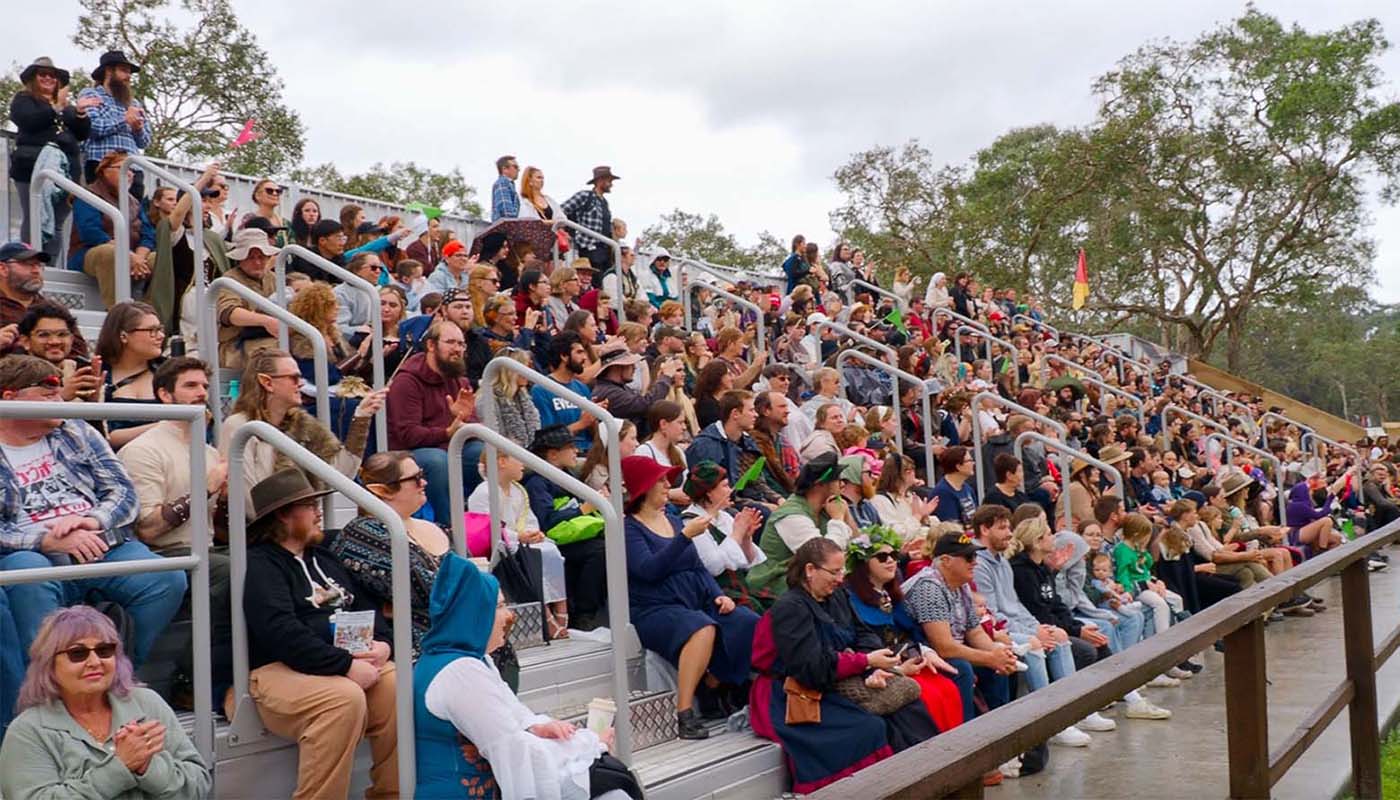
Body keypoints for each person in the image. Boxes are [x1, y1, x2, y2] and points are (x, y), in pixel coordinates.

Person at [0, 354, 187, 668]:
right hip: (32, 554)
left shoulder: (75, 429)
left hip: (101, 542)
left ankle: (115, 677)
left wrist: (92, 520)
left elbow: (123, 491)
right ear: (9, 398)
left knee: (166, 577)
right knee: (26, 575)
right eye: (49, 396)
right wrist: (45, 540)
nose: (61, 402)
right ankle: (44, 694)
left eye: (61, 393)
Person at [413, 553, 643, 799]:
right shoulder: (461, 673)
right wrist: (588, 743)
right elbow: (514, 750)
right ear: (475, 614)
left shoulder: (468, 661)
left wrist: (536, 726)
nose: (510, 616)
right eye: (499, 606)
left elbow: (511, 715)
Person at [242, 468, 399, 799]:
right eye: (310, 505)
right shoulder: (260, 564)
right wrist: (344, 665)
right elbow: (280, 633)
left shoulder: (324, 557)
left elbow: (368, 608)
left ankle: (392, 793)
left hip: (339, 661)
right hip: (277, 668)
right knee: (342, 699)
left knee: (396, 682)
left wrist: (383, 646)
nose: (318, 513)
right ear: (284, 515)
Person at [748, 537, 914, 793]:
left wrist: (874, 667)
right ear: (810, 570)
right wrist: (865, 661)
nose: (840, 578)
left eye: (842, 571)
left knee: (908, 712)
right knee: (868, 728)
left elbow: (863, 634)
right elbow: (811, 668)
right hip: (787, 695)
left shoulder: (837, 596)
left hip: (828, 682)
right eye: (834, 572)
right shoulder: (790, 608)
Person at [118, 357, 235, 708]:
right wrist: (206, 488)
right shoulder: (143, 450)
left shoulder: (209, 451)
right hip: (163, 554)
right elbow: (149, 528)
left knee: (268, 561)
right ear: (165, 395)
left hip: (207, 547)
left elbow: (219, 526)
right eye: (190, 386)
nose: (201, 393)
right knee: (231, 571)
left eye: (204, 386)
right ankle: (188, 677)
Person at [0, 606, 210, 799]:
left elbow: (198, 785)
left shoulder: (147, 703)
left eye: (104, 650)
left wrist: (147, 767)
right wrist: (119, 767)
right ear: (49, 664)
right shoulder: (28, 731)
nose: (94, 662)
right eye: (78, 653)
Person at [622, 455, 759, 739]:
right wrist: (684, 537)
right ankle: (684, 712)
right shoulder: (629, 529)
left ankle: (711, 683)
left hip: (694, 599)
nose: (667, 484)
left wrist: (719, 594)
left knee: (748, 622)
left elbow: (697, 567)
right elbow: (648, 570)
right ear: (644, 488)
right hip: (654, 608)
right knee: (701, 627)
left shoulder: (672, 519)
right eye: (660, 480)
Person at [843, 526, 966, 732]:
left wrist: (924, 652)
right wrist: (898, 669)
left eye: (893, 555)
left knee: (949, 686)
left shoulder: (891, 595)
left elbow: (909, 632)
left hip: (907, 659)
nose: (891, 560)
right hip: (880, 669)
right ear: (864, 564)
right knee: (930, 693)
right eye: (882, 557)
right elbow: (861, 645)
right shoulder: (851, 599)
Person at [329, 452, 450, 658]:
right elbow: (423, 588)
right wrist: (471, 586)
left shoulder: (433, 527)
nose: (424, 482)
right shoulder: (361, 533)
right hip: (418, 647)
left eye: (421, 474)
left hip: (454, 635)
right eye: (415, 479)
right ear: (382, 490)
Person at [902, 532, 1018, 725]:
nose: (975, 562)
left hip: (948, 652)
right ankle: (965, 740)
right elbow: (943, 647)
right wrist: (990, 659)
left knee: (1002, 662)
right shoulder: (929, 587)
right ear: (946, 560)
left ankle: (999, 731)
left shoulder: (960, 583)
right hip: (920, 654)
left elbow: (975, 631)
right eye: (968, 557)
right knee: (963, 668)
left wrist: (997, 653)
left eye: (975, 556)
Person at [467, 447, 571, 638]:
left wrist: (533, 533)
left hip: (520, 540)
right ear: (502, 461)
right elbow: (485, 528)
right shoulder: (483, 492)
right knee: (535, 555)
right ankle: (546, 616)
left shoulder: (518, 490)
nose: (523, 463)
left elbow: (529, 519)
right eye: (518, 458)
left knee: (549, 549)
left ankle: (560, 606)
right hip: (499, 546)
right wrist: (518, 537)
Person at [385, 321, 478, 522]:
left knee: (486, 453)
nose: (457, 349)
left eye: (461, 344)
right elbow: (407, 434)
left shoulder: (459, 380)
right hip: (410, 453)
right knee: (438, 462)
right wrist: (446, 432)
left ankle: (493, 526)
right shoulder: (407, 381)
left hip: (451, 446)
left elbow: (469, 424)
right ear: (431, 345)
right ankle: (450, 528)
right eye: (451, 342)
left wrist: (465, 420)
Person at [522, 425, 610, 631]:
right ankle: (583, 614)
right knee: (600, 551)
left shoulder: (568, 476)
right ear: (553, 454)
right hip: (556, 543)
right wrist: (582, 510)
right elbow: (547, 521)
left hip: (578, 536)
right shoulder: (537, 483)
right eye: (570, 447)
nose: (576, 451)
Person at [9, 58, 93, 260]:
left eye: (52, 75)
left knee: (56, 223)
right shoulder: (24, 100)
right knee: (35, 216)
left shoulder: (67, 108)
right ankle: (29, 260)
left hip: (65, 173)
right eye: (42, 74)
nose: (48, 78)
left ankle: (49, 265)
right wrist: (54, 107)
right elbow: (28, 121)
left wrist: (80, 113)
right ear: (33, 78)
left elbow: (82, 133)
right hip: (32, 167)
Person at [746, 452, 856, 597]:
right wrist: (838, 519)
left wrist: (845, 514)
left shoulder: (827, 508)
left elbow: (857, 544)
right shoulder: (791, 515)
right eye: (837, 480)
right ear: (820, 484)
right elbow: (824, 556)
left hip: (808, 579)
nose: (842, 484)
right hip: (776, 583)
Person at [679, 461, 771, 611]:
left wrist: (746, 537)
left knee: (779, 605)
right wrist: (737, 534)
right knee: (756, 612)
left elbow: (749, 562)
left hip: (739, 587)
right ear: (709, 491)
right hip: (716, 594)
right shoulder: (691, 521)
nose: (730, 491)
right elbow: (713, 567)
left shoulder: (724, 517)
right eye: (725, 486)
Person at [69, 152, 156, 309]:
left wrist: (139, 258)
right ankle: (116, 313)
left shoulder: (135, 202)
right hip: (89, 253)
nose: (129, 174)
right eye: (123, 168)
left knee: (158, 259)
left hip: (131, 255)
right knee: (111, 254)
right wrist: (128, 254)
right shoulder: (88, 194)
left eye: (131, 170)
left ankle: (150, 312)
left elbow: (148, 234)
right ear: (104, 170)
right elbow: (91, 233)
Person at [93, 301, 165, 449]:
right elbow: (97, 436)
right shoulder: (95, 375)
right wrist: (165, 426)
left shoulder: (170, 373)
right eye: (152, 330)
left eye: (160, 329)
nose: (161, 336)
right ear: (124, 336)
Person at [78, 51, 149, 187]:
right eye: (124, 71)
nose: (128, 76)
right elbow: (93, 128)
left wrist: (138, 129)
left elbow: (144, 142)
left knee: (133, 208)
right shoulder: (90, 94)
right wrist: (124, 120)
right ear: (109, 71)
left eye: (129, 73)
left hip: (133, 168)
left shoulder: (135, 104)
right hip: (101, 164)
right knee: (103, 207)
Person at [214, 228, 281, 370]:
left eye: (261, 257)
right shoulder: (228, 280)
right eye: (251, 257)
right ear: (240, 259)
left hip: (271, 338)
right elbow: (230, 313)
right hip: (237, 346)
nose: (257, 262)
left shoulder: (273, 278)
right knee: (276, 357)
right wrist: (266, 321)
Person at [532, 331, 599, 453]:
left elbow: (594, 435)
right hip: (562, 454)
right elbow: (547, 437)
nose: (584, 358)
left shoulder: (582, 388)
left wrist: (594, 416)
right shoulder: (541, 389)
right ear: (564, 356)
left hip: (588, 451)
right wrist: (582, 423)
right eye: (579, 352)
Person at [591, 340, 679, 432]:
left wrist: (661, 379)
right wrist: (665, 377)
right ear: (617, 367)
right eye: (630, 365)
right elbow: (647, 405)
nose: (635, 368)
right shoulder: (610, 393)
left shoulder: (617, 388)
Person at [868, 453, 940, 546]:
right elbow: (897, 535)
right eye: (911, 470)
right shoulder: (880, 500)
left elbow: (928, 524)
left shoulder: (910, 496)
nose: (914, 474)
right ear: (905, 473)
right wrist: (917, 516)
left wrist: (925, 517)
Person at [561, 166, 619, 273]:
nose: (611, 184)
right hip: (588, 247)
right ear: (600, 181)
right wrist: (565, 231)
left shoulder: (604, 203)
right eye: (609, 181)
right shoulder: (585, 196)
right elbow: (561, 211)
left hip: (604, 250)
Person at [930, 446, 978, 526]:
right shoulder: (943, 493)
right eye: (969, 460)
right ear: (958, 466)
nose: (973, 463)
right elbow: (952, 529)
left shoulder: (967, 488)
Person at [490, 154, 520, 221]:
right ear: (504, 169)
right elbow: (506, 212)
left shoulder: (509, 184)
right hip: (505, 228)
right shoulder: (502, 183)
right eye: (515, 167)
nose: (518, 170)